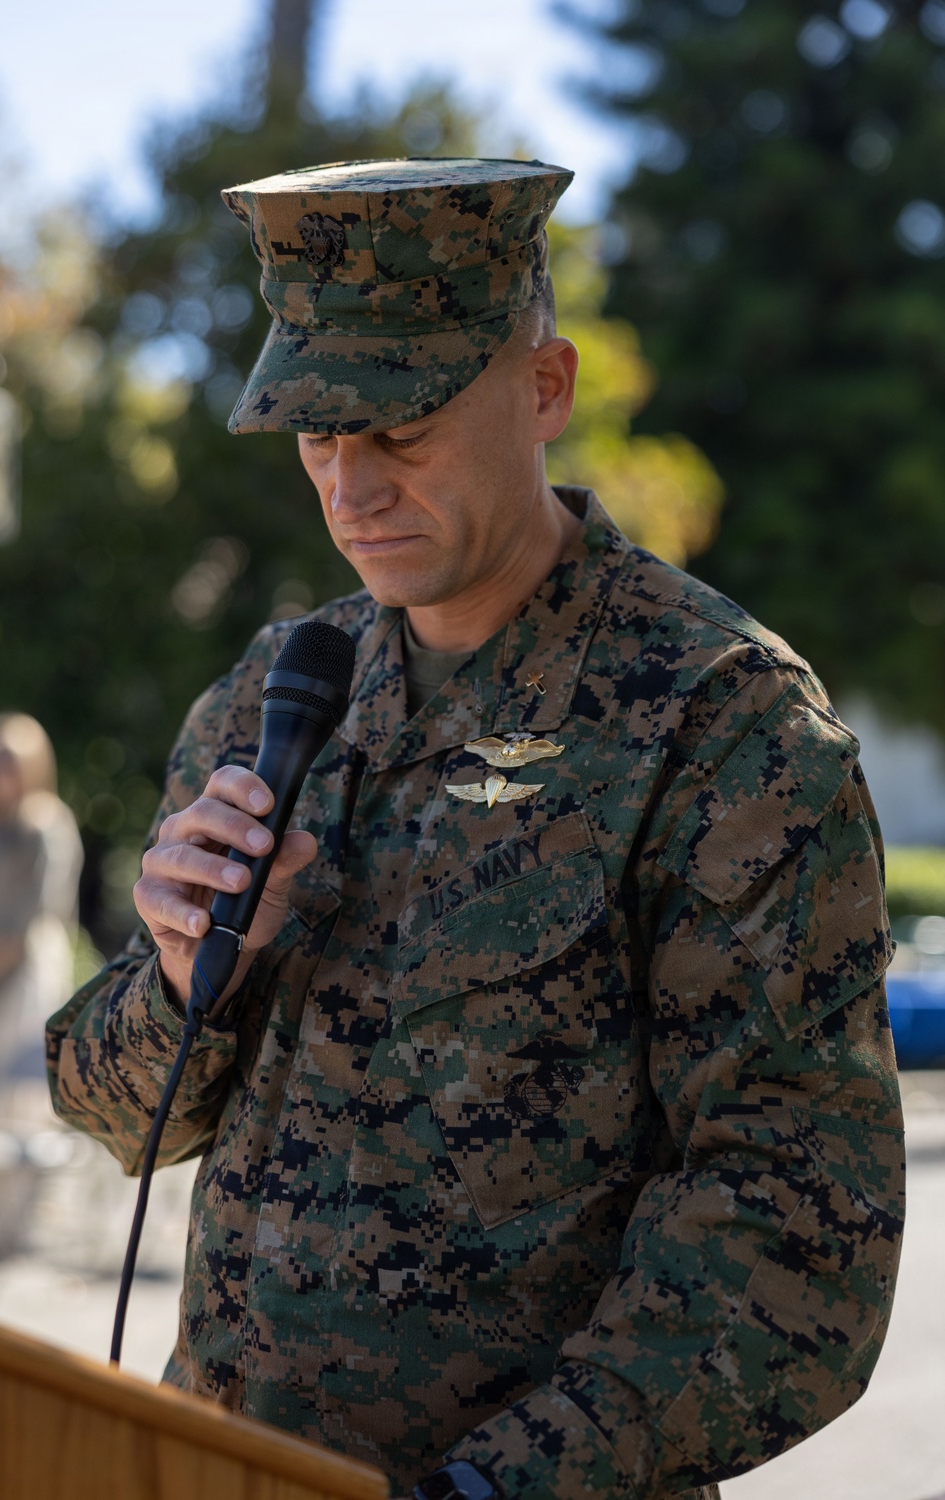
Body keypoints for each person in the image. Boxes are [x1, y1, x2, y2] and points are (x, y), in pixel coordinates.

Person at [47, 160, 904, 1500]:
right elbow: (118, 1121)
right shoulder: (279, 696)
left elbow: (796, 1231)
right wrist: (174, 978)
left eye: (399, 430)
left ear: (544, 388)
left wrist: (492, 1490)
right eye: (317, 439)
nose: (351, 490)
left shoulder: (722, 723)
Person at [0, 712, 83, 1128]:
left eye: (11, 760)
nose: (1, 771)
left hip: (25, 977)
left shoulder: (44, 827)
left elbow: (41, 909)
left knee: (19, 1106)